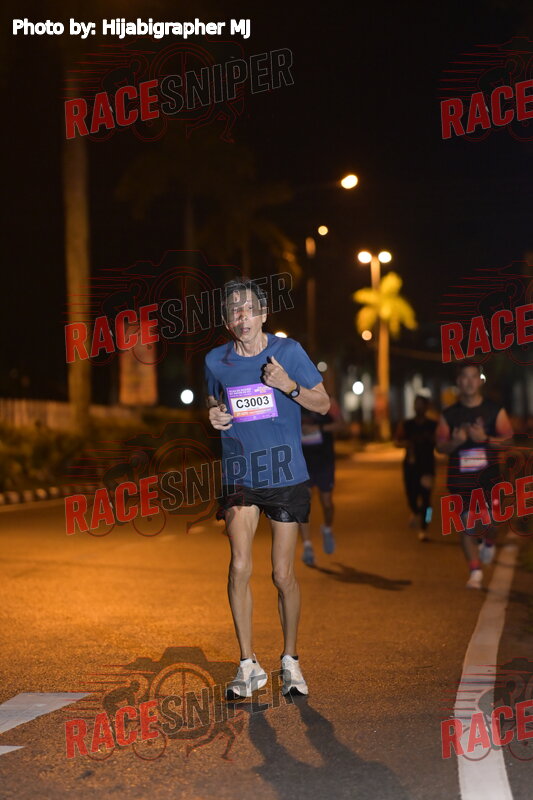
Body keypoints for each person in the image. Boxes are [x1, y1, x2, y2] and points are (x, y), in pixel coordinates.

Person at [205, 277, 330, 698]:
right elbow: (214, 400)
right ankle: (247, 664)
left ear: (263, 314)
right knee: (239, 566)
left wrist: (287, 385)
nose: (242, 316)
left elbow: (323, 403)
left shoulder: (288, 352)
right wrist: (214, 414)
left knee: (282, 574)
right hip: (241, 473)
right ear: (227, 320)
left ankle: (290, 660)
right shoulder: (215, 360)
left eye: (248, 309)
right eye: (233, 310)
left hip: (285, 474)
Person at [436, 362, 513, 589]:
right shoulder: (449, 414)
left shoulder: (494, 410)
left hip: (489, 479)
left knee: (492, 523)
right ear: (458, 382)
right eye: (464, 377)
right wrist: (455, 442)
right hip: (460, 481)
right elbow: (440, 446)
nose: (469, 382)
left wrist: (485, 439)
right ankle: (475, 571)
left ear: (480, 381)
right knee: (466, 525)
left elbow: (509, 440)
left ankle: (488, 542)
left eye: (473, 377)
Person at [298, 396, 344, 565]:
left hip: (324, 460)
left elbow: (341, 425)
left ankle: (327, 528)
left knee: (327, 503)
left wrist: (318, 428)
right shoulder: (293, 397)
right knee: (303, 504)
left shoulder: (328, 401)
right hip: (303, 461)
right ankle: (307, 546)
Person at [394, 395, 437, 541]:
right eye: (416, 404)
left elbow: (441, 441)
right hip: (410, 466)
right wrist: (406, 443)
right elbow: (397, 441)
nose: (418, 407)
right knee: (411, 496)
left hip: (427, 467)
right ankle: (415, 512)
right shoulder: (407, 424)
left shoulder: (433, 425)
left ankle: (426, 527)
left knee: (427, 500)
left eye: (421, 404)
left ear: (426, 407)